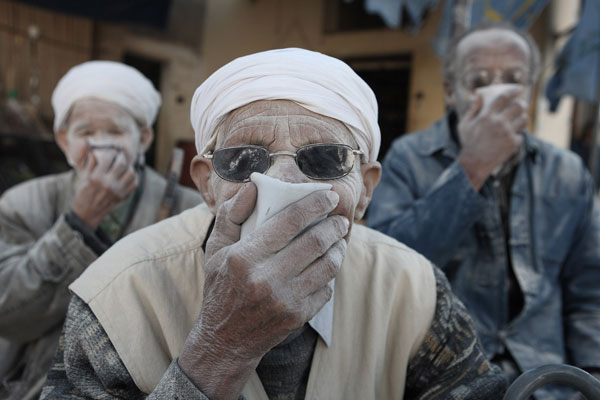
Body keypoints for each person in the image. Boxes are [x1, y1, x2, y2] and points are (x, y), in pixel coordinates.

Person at [40, 48, 506, 399]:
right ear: (206, 185)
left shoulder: (413, 289)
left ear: (364, 189)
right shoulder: (115, 295)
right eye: (243, 159)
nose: (281, 183)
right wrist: (220, 349)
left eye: (325, 158)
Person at [367, 22, 600, 400]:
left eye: (513, 79)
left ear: (531, 90)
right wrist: (472, 167)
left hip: (551, 382)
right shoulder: (409, 159)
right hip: (445, 379)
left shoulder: (568, 171)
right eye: (479, 81)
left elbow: (589, 291)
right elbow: (390, 270)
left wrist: (590, 377)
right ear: (450, 93)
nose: (499, 91)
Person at [0, 61, 203, 400]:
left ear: (144, 138)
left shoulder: (190, 209)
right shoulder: (22, 204)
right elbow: (12, 316)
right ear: (64, 140)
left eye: (115, 131)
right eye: (85, 133)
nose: (100, 146)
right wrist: (80, 220)